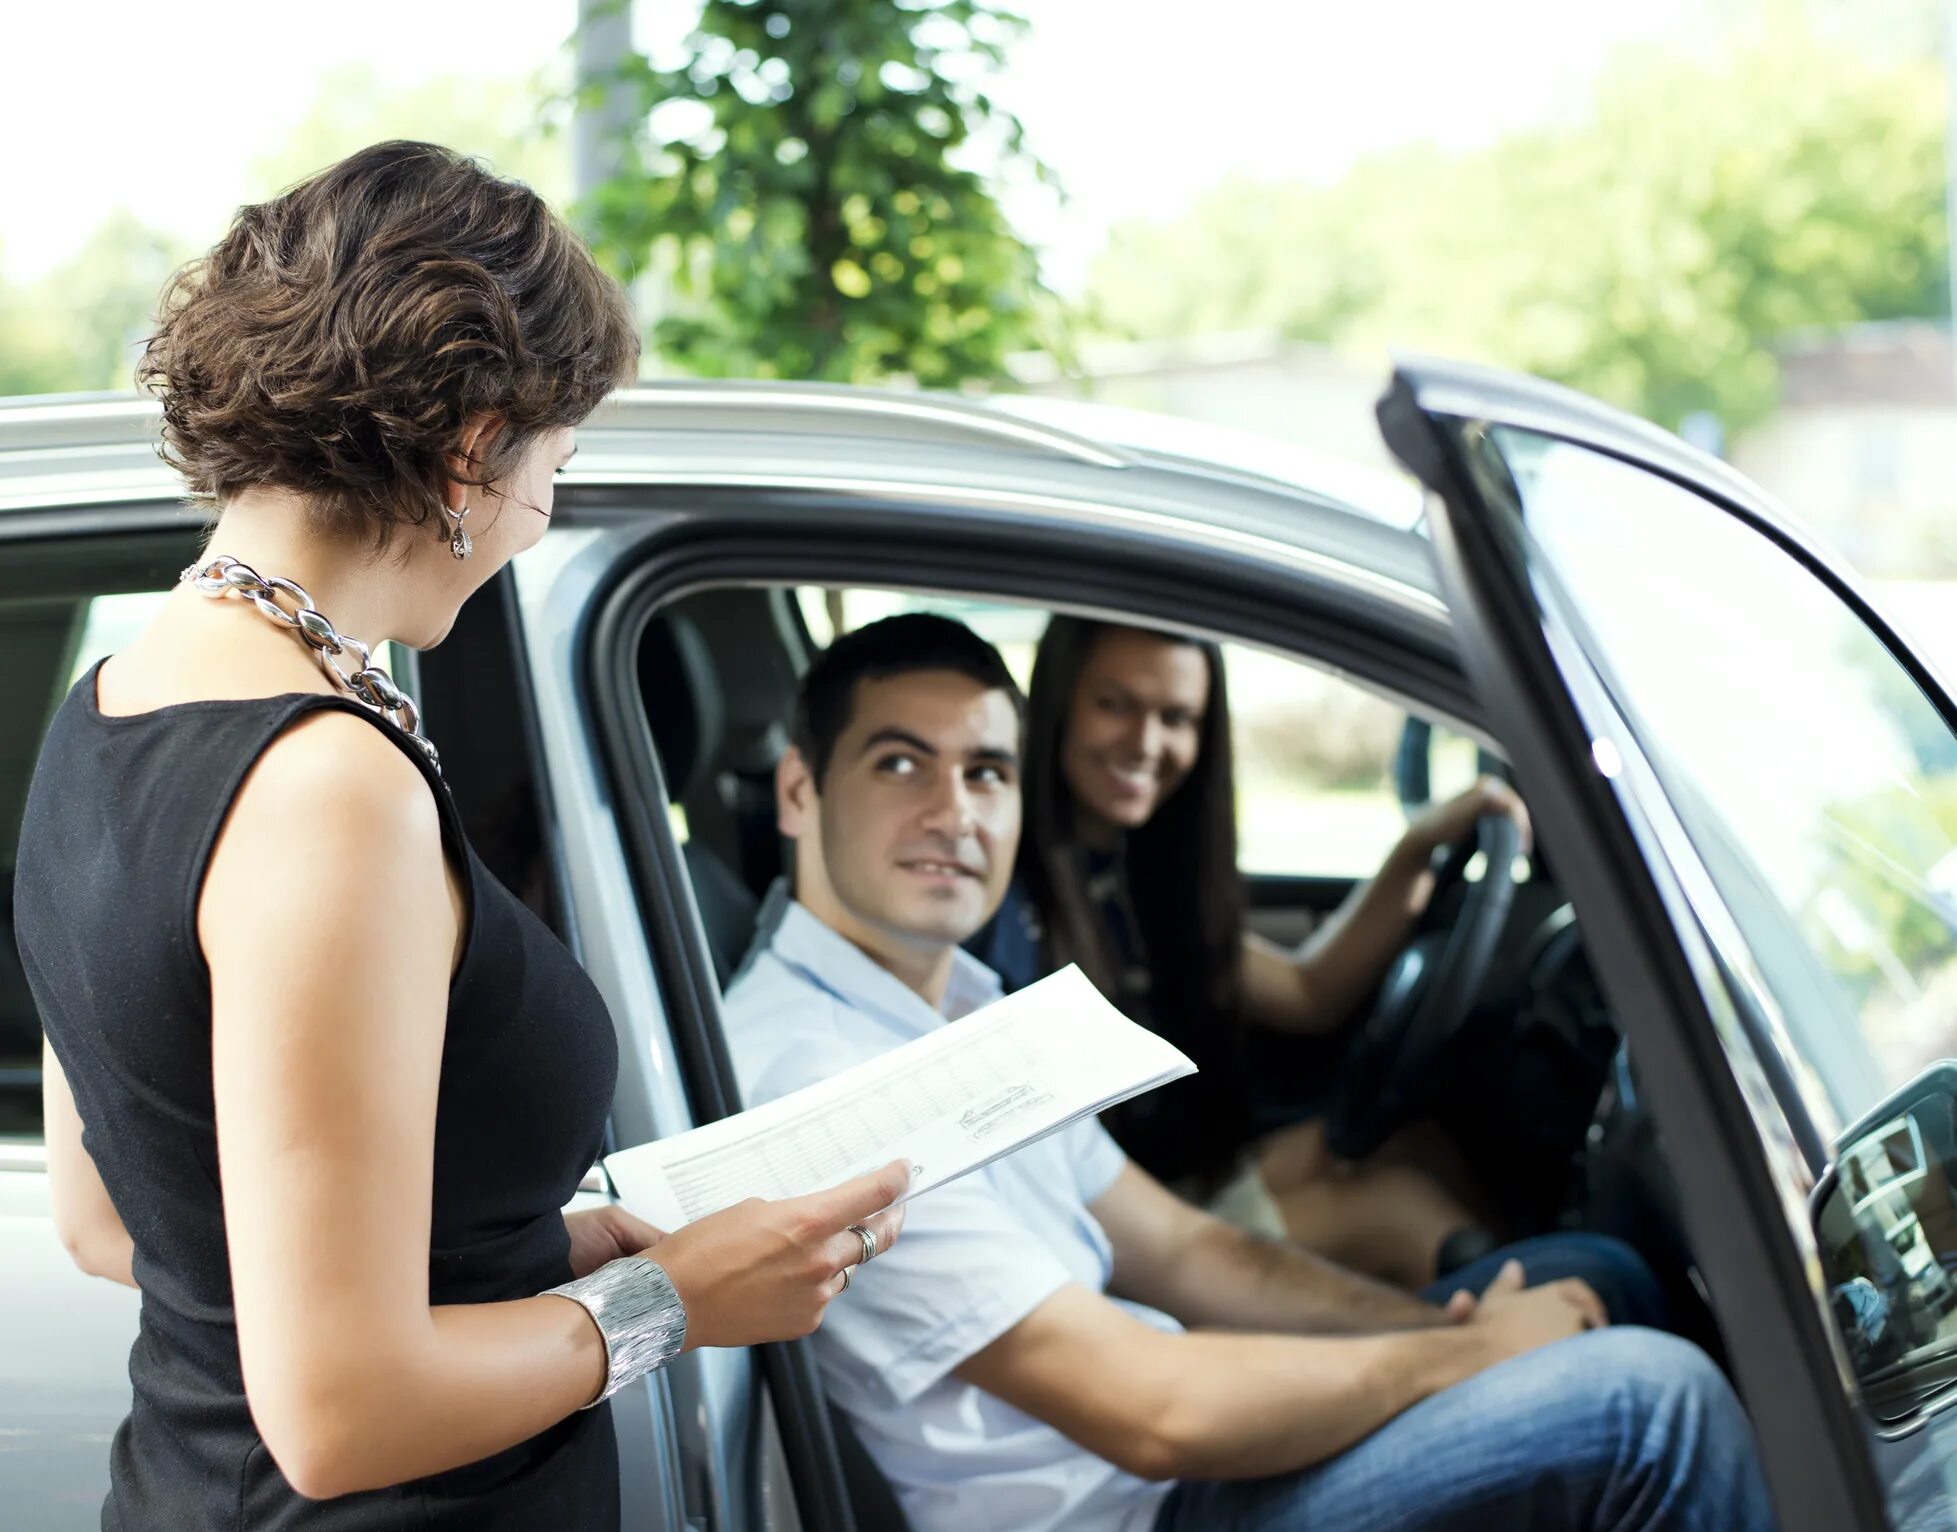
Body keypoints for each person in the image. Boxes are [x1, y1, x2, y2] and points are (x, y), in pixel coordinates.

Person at [14, 142, 906, 1531]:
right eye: (555, 465)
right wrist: (667, 1301)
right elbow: (339, 1412)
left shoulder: (108, 708)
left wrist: (538, 1250)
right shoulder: (323, 784)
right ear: (474, 451)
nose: (536, 524)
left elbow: (125, 1221)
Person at [718, 613, 1775, 1532]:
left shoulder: (955, 1009)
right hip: (1134, 1505)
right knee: (1653, 1403)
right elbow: (1149, 1408)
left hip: (1153, 1466)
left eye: (986, 770)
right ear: (801, 792)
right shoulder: (824, 1087)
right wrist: (1471, 1357)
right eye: (901, 763)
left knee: (1591, 1273)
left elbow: (1177, 1244)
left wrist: (1435, 1326)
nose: (956, 811)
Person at [981, 614, 1531, 1288]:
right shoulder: (1007, 896)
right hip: (1113, 1231)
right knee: (1398, 1213)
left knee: (1419, 1146)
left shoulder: (1139, 875)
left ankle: (1553, 1307)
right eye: (1112, 704)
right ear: (1058, 701)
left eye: (1176, 717)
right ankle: (1539, 1349)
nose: (1145, 742)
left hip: (1171, 1186)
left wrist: (1418, 846)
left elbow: (1309, 994)